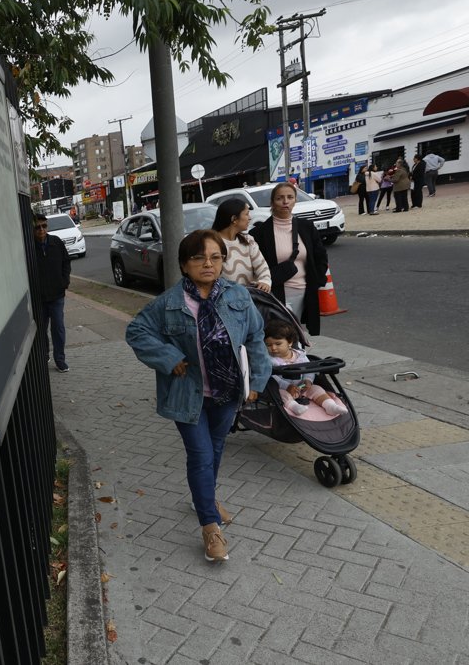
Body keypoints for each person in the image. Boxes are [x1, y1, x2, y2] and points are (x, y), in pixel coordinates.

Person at [126, 230, 272, 562]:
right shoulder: (169, 303)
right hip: (187, 395)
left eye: (216, 257)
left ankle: (203, 497)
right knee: (201, 455)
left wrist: (258, 381)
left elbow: (255, 337)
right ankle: (210, 526)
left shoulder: (238, 296)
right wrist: (168, 358)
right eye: (198, 258)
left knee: (216, 448)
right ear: (184, 264)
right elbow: (136, 331)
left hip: (227, 392)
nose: (208, 264)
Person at [249, 182, 328, 336]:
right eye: (280, 198)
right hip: (275, 295)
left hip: (304, 292)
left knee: (298, 336)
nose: (285, 202)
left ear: (295, 200)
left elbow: (320, 256)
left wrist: (317, 281)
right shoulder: (259, 233)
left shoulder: (306, 227)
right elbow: (255, 265)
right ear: (272, 202)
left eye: (290, 197)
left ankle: (299, 359)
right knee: (279, 336)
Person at [264, 319, 348, 417]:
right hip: (283, 388)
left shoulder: (300, 355)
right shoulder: (269, 360)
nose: (273, 348)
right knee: (280, 394)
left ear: (290, 342)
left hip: (301, 387)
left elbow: (309, 369)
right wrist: (286, 386)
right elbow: (272, 377)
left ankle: (330, 405)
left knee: (317, 389)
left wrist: (308, 381)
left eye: (278, 344)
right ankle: (294, 407)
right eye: (268, 345)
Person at [34, 213, 71, 373]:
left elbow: (66, 262)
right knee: (41, 329)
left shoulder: (56, 242)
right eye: (37, 227)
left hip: (56, 295)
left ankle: (60, 359)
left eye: (44, 226)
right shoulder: (30, 247)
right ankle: (44, 355)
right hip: (40, 297)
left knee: (58, 328)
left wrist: (64, 281)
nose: (41, 230)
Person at [210, 199, 271, 292]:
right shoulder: (211, 244)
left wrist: (265, 282)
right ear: (234, 219)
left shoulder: (248, 240)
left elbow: (262, 268)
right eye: (246, 214)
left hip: (249, 300)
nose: (249, 218)